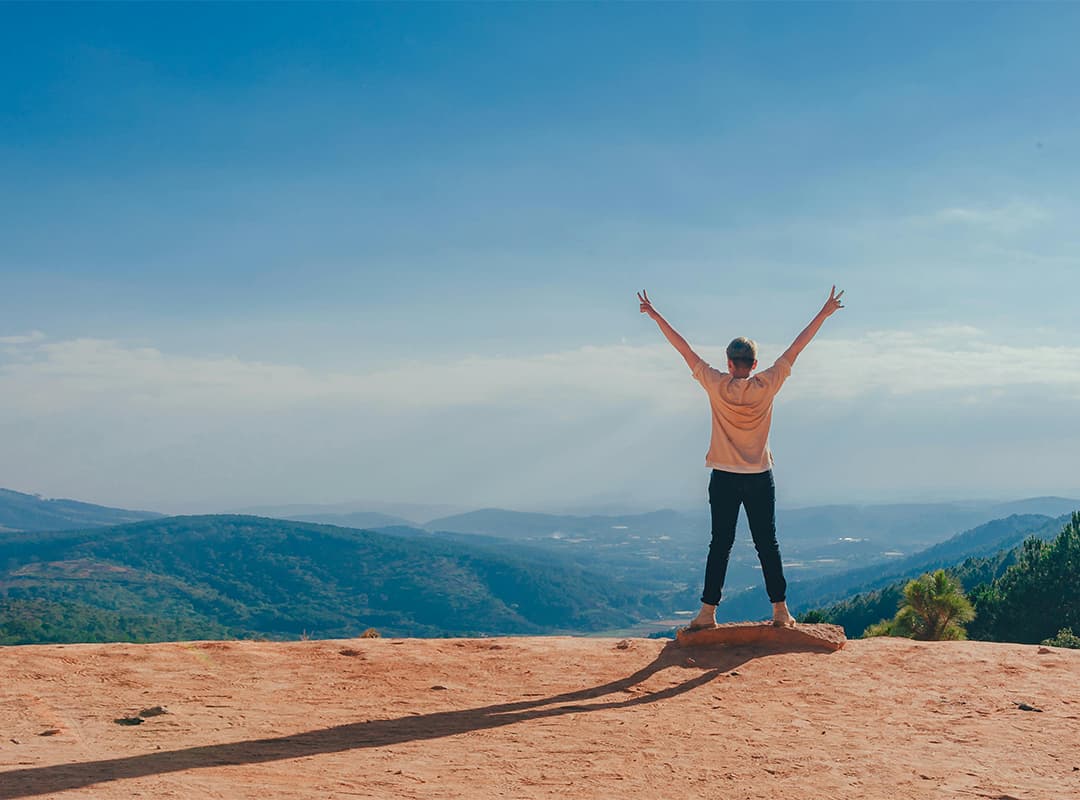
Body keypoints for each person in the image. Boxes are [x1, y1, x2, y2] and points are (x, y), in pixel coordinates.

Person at [638, 287, 845, 629]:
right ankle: (781, 612)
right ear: (755, 364)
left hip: (724, 476)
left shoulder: (716, 384)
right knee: (768, 544)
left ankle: (708, 613)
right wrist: (824, 312)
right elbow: (797, 347)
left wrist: (656, 315)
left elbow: (684, 350)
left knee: (720, 544)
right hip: (760, 475)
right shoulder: (768, 383)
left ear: (729, 363)